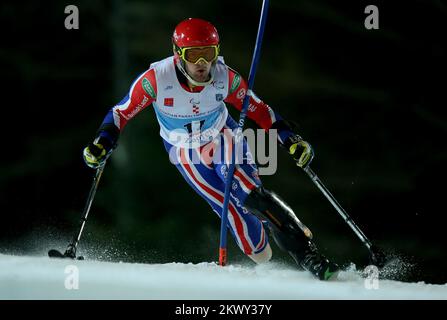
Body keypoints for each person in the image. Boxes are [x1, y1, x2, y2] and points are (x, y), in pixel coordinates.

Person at [83, 18, 340, 280]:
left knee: (251, 194)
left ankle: (307, 254)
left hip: (223, 136)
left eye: (209, 54)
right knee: (255, 245)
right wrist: (103, 141)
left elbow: (261, 112)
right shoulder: (156, 80)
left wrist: (290, 139)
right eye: (194, 55)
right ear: (177, 54)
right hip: (185, 151)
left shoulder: (225, 78)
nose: (202, 64)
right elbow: (120, 113)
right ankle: (271, 222)